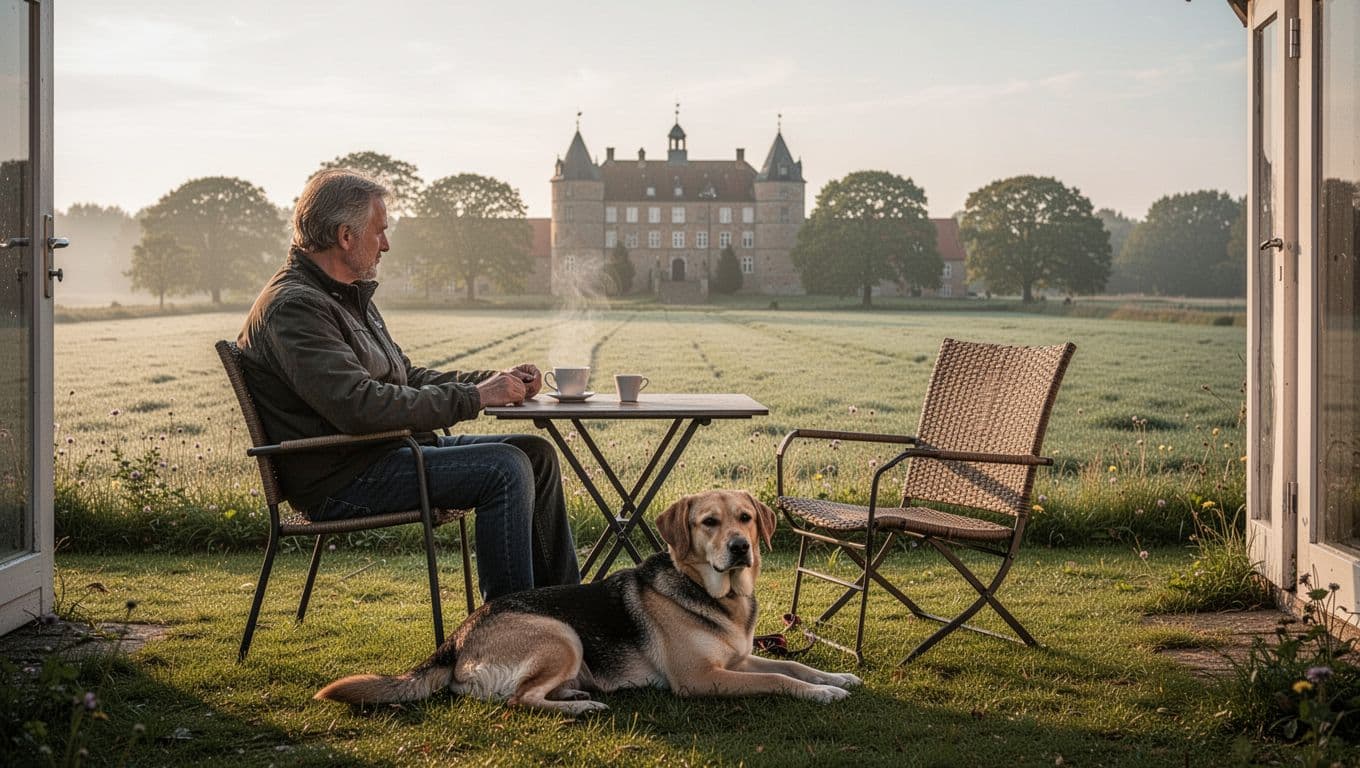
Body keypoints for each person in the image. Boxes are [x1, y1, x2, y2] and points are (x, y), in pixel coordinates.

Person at [237, 169, 579, 599]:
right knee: (504, 468)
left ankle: (567, 615)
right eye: (379, 232)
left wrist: (494, 382)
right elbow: (360, 407)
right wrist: (475, 398)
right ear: (346, 236)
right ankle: (508, 636)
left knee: (535, 454)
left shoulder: (344, 294)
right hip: (344, 477)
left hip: (388, 452)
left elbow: (407, 376)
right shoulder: (294, 308)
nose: (386, 244)